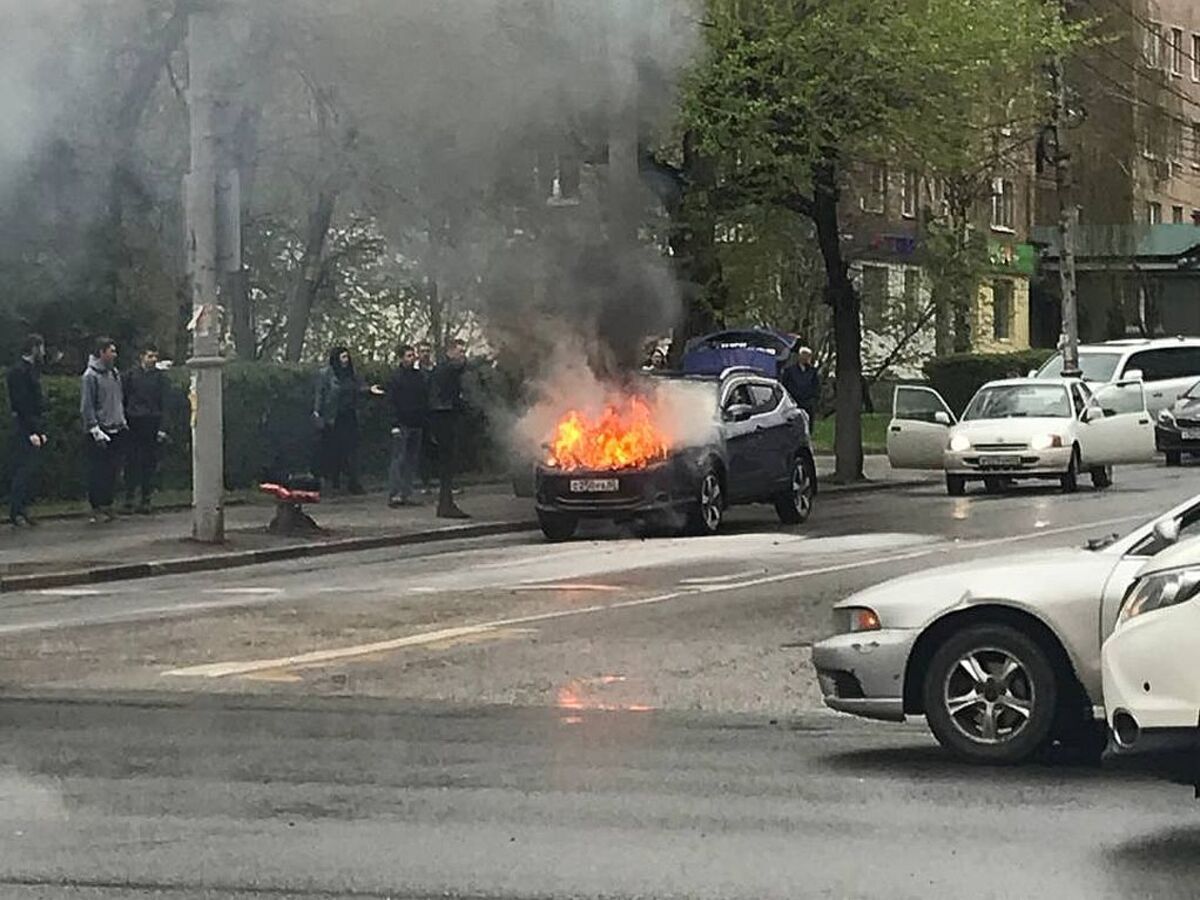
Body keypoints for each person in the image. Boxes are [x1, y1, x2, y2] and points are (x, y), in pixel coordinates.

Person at [80, 337, 128, 523]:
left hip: (117, 428)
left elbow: (118, 399)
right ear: (101, 352)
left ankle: (107, 504)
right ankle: (95, 507)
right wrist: (94, 428)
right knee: (97, 472)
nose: (114, 355)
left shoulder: (114, 373)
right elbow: (87, 405)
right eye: (111, 351)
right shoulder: (90, 376)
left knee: (112, 471)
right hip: (100, 431)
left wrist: (121, 420)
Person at [121, 344, 169, 514]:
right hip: (133, 423)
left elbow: (165, 403)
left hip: (152, 423)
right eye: (150, 356)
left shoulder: (160, 378)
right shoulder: (130, 376)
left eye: (155, 356)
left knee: (149, 463)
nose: (154, 360)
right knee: (131, 462)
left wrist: (162, 427)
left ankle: (146, 499)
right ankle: (129, 499)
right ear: (141, 357)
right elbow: (123, 399)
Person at [313, 346, 366, 494]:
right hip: (334, 417)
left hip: (350, 416)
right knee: (333, 450)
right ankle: (333, 482)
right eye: (343, 357)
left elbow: (358, 388)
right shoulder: (326, 374)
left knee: (352, 450)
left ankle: (353, 482)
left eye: (347, 357)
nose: (346, 360)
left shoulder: (352, 374)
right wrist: (317, 413)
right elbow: (321, 394)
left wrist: (368, 390)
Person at [7, 334, 48, 527]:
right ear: (33, 348)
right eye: (41, 347)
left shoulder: (31, 370)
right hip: (24, 427)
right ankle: (16, 511)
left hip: (33, 425)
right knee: (23, 470)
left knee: (30, 470)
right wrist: (32, 431)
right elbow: (22, 403)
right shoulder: (18, 371)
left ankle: (23, 508)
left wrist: (41, 429)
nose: (43, 352)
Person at [428, 337, 470, 519]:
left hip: (444, 417)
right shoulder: (445, 370)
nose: (463, 356)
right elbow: (445, 396)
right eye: (460, 352)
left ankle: (446, 503)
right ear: (450, 352)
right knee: (447, 465)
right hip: (443, 419)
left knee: (448, 466)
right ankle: (446, 505)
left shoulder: (443, 369)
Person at [385, 344, 428, 508]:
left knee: (411, 460)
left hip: (416, 423)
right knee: (399, 459)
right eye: (408, 355)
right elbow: (390, 402)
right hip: (402, 424)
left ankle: (406, 494)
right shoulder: (395, 377)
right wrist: (394, 424)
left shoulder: (418, 376)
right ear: (401, 358)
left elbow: (423, 397)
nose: (412, 358)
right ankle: (394, 494)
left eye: (412, 355)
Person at [415, 340, 437, 494]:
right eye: (422, 351)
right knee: (423, 449)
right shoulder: (415, 372)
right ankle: (425, 482)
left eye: (427, 351)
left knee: (439, 447)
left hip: (436, 412)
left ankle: (443, 481)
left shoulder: (436, 370)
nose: (425, 354)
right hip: (421, 414)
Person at [781, 344, 821, 427]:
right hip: (794, 402)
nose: (806, 358)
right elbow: (785, 385)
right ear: (800, 356)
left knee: (808, 423)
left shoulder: (812, 372)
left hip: (808, 402)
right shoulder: (790, 370)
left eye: (808, 356)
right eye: (804, 355)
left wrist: (814, 399)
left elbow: (816, 386)